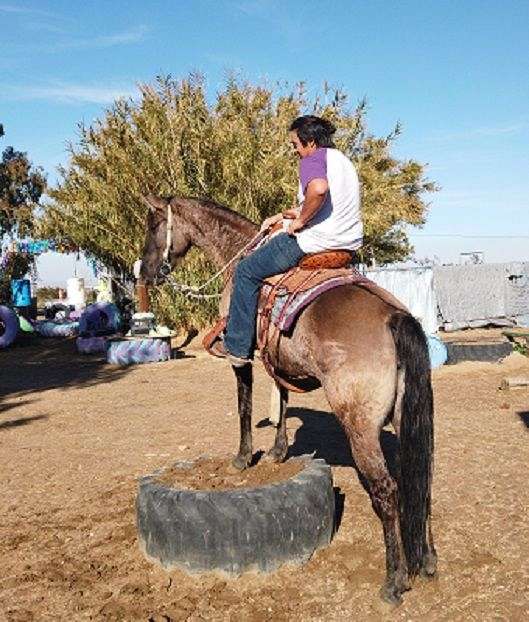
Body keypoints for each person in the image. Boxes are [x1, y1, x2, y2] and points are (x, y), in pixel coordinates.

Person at [214, 115, 363, 367]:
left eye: (295, 144)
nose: (294, 150)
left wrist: (300, 222)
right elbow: (323, 203)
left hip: (316, 241)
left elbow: (318, 190)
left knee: (246, 270)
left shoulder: (312, 159)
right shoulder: (341, 161)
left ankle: (238, 347)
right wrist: (283, 215)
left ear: (310, 142)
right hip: (347, 241)